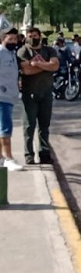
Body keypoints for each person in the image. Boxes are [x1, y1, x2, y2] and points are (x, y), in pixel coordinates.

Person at [17, 27, 60, 165]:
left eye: (34, 35)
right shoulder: (23, 51)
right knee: (29, 126)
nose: (32, 38)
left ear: (40, 36)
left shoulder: (49, 50)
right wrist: (46, 65)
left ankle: (45, 154)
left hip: (46, 93)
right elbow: (27, 70)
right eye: (29, 36)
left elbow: (55, 66)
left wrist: (37, 63)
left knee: (44, 126)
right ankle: (29, 155)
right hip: (30, 94)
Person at [0, 29, 23, 171]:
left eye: (15, 39)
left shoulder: (12, 54)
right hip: (2, 96)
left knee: (2, 129)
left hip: (9, 96)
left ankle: (1, 159)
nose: (13, 42)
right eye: (10, 39)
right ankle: (8, 158)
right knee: (5, 128)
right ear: (3, 39)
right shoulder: (1, 53)